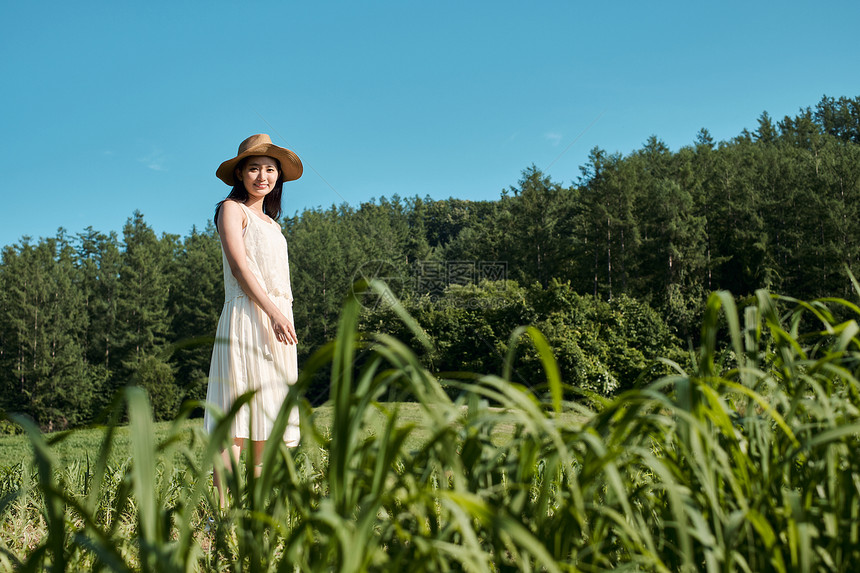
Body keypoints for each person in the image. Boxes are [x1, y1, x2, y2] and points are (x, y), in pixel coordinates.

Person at [204, 133, 303, 507]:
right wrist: (273, 312)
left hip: (277, 325)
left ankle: (256, 514)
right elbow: (240, 267)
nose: (263, 176)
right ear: (240, 174)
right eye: (254, 168)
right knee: (236, 419)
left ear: (278, 177)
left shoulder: (274, 226)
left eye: (270, 169)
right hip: (247, 316)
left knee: (267, 419)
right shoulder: (232, 210)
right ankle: (221, 513)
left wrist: (282, 315)